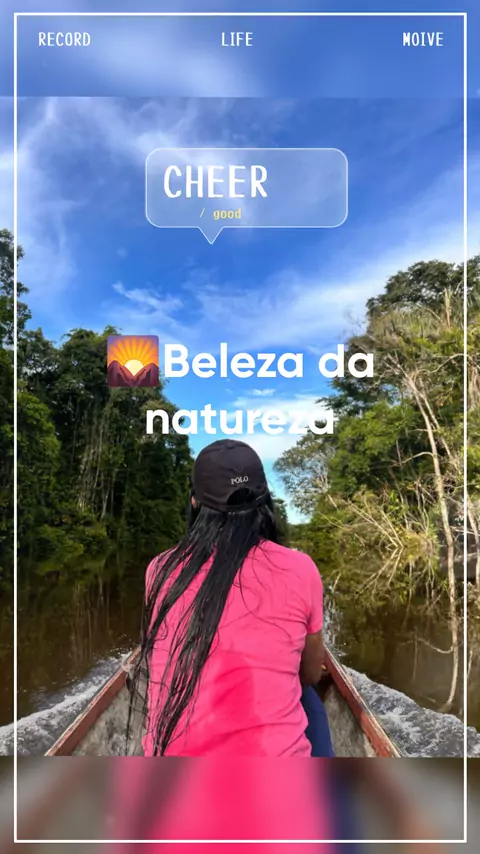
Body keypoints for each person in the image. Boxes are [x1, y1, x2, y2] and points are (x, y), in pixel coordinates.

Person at [129, 438, 334, 759]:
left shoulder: (159, 568)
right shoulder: (300, 568)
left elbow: (156, 656)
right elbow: (309, 673)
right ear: (265, 502)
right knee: (308, 698)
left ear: (194, 503)